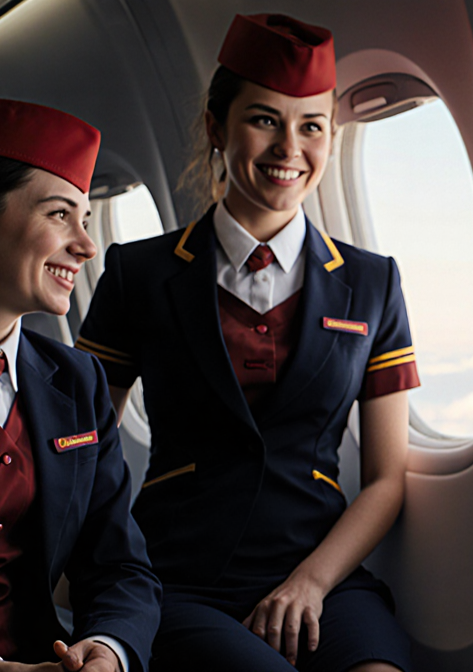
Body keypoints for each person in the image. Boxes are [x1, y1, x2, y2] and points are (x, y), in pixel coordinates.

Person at [76, 13, 416, 672]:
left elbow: (386, 480)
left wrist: (311, 582)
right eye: (264, 120)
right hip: (175, 574)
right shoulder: (139, 274)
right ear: (216, 127)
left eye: (311, 126)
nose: (290, 147)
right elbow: (86, 449)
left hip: (320, 570)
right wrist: (93, 574)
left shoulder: (372, 283)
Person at [0, 99, 161, 672]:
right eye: (60, 215)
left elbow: (120, 566)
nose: (87, 246)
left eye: (86, 220)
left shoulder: (78, 380)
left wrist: (109, 648)